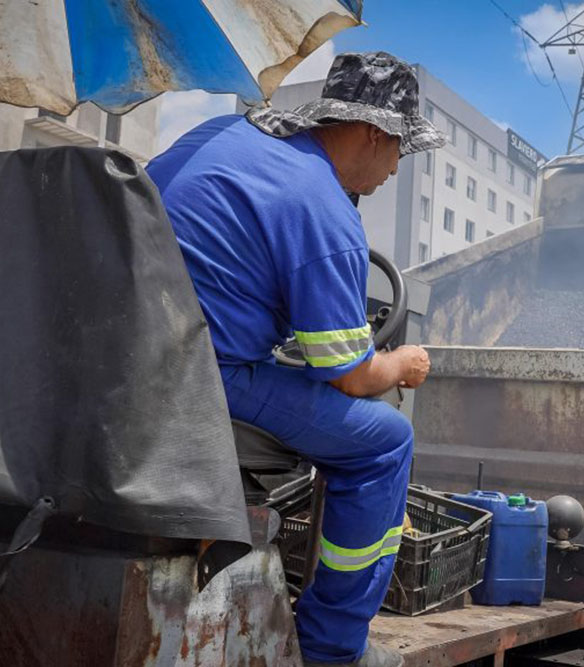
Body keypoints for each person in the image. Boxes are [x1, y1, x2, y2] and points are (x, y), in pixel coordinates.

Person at [146, 52, 444, 667]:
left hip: (130, 355)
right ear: (371, 132)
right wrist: (402, 364)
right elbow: (352, 374)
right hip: (203, 378)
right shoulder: (325, 211)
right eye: (400, 150)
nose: (395, 167)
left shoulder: (222, 135)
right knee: (384, 442)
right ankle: (333, 648)